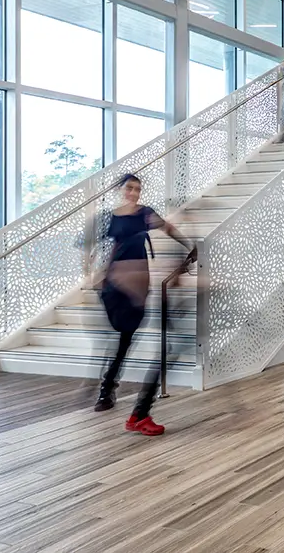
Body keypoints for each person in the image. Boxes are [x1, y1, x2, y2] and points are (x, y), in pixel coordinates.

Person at [94, 173, 195, 434]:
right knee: (123, 337)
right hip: (116, 284)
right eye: (129, 187)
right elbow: (102, 249)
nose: (134, 192)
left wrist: (188, 245)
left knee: (126, 338)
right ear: (120, 190)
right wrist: (95, 275)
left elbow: (168, 228)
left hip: (138, 285)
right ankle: (113, 393)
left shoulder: (145, 213)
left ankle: (108, 391)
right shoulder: (110, 217)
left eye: (137, 188)